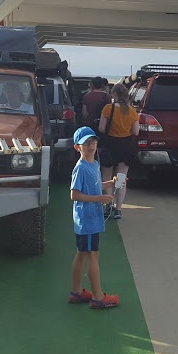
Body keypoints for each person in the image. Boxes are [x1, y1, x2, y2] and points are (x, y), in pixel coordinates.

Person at [67, 126, 120, 309]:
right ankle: (98, 297)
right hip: (87, 219)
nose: (91, 146)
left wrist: (110, 183)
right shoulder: (81, 168)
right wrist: (99, 198)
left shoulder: (94, 165)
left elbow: (95, 185)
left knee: (82, 253)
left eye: (93, 142)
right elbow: (74, 195)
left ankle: (76, 291)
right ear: (77, 147)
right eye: (87, 143)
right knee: (93, 255)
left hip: (90, 218)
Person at [97, 83, 140, 220]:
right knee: (121, 179)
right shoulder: (132, 111)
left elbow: (101, 128)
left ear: (114, 94)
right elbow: (135, 131)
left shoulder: (108, 109)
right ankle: (118, 209)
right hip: (126, 146)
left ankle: (108, 204)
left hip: (110, 144)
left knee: (107, 177)